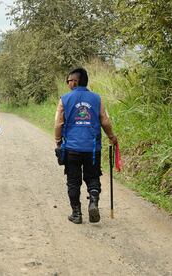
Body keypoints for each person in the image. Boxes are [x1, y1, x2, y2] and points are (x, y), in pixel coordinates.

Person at [54, 68, 117, 224]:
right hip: (92, 149)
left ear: (75, 81)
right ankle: (93, 202)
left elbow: (58, 124)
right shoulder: (97, 99)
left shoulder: (65, 99)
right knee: (93, 176)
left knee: (73, 181)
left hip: (72, 149)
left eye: (69, 80)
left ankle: (77, 214)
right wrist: (112, 137)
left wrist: (58, 141)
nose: (68, 83)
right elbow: (105, 121)